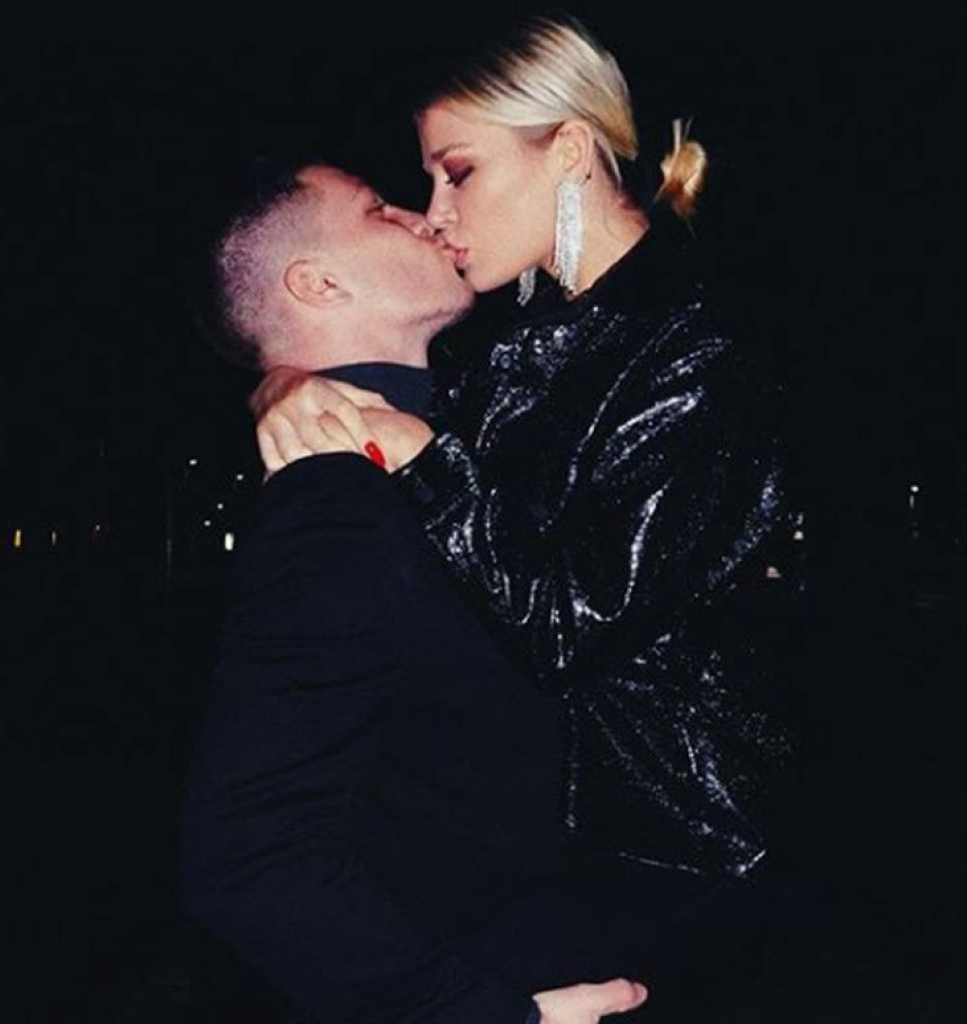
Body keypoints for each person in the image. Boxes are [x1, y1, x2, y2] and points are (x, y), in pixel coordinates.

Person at [180, 161, 734, 1024]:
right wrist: (481, 1012)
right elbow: (245, 855)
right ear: (317, 283)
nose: (426, 216)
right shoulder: (337, 504)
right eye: (379, 210)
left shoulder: (459, 442)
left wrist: (279, 382)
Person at [252, 13, 800, 881]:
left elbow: (571, 623)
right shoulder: (514, 338)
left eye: (460, 173)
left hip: (668, 847)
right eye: (430, 180)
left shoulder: (696, 347)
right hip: (528, 838)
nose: (436, 213)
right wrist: (280, 380)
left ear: (570, 150)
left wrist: (424, 458)